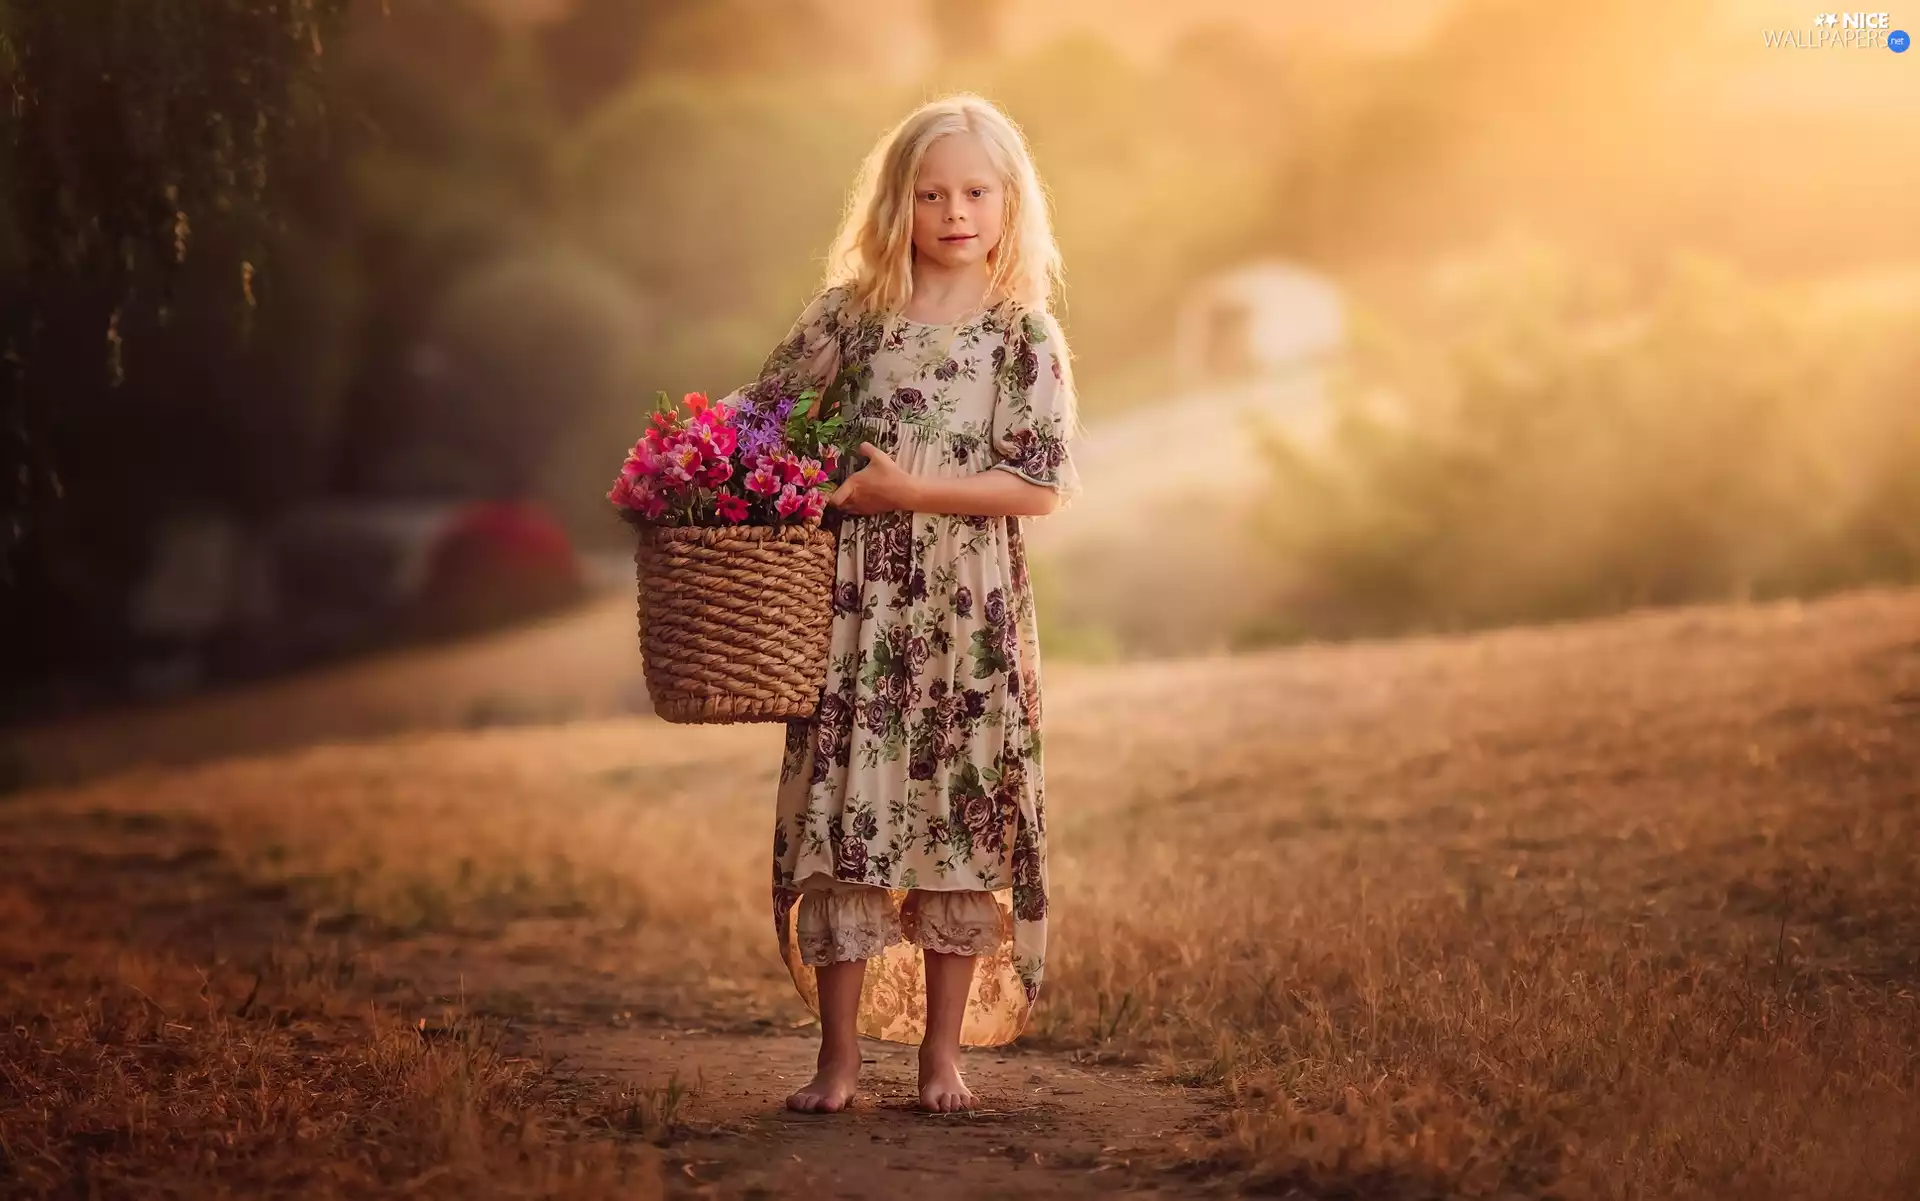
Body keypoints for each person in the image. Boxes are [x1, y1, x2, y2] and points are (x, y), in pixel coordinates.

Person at [717, 93, 1082, 1115]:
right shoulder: (849, 314)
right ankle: (837, 1059)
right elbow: (763, 423)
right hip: (857, 606)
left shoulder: (1023, 337)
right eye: (931, 193)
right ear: (898, 203)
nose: (954, 211)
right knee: (849, 819)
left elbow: (1039, 487)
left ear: (1010, 203)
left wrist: (908, 490)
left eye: (975, 191)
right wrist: (705, 481)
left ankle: (940, 1056)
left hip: (970, 611)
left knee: (955, 821)